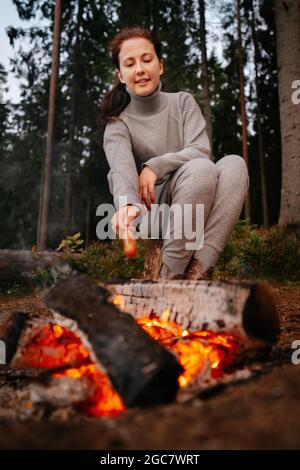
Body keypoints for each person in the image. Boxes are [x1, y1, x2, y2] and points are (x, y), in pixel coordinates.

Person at [98, 27, 249, 280]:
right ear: (121, 75)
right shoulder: (118, 124)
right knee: (202, 168)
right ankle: (171, 275)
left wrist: (154, 166)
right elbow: (121, 169)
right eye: (130, 64)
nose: (140, 70)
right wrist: (128, 206)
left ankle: (199, 270)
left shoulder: (183, 103)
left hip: (196, 200)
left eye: (147, 60)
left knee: (235, 164)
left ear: (161, 66)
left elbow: (200, 150)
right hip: (151, 214)